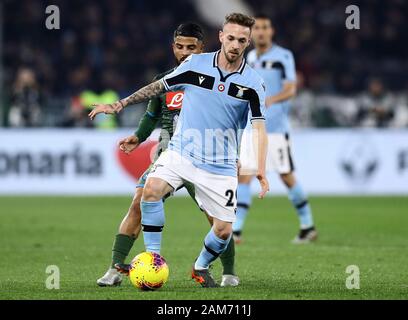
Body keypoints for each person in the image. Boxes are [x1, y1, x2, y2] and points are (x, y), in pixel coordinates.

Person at [89, 13, 269, 288]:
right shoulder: (185, 71)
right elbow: (153, 104)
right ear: (221, 36)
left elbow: (258, 128)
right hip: (177, 154)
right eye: (230, 37)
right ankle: (134, 263)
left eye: (241, 40)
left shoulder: (251, 83)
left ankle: (219, 268)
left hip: (217, 162)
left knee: (220, 226)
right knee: (144, 196)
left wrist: (258, 166)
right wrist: (127, 117)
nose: (235, 44)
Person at [234, 14, 317, 244]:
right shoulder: (249, 56)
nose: (260, 32)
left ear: (271, 32)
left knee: (286, 176)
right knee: (245, 176)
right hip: (254, 127)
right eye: (256, 28)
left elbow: (291, 89)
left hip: (277, 129)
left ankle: (308, 225)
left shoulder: (283, 56)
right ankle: (237, 230)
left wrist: (271, 99)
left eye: (264, 28)